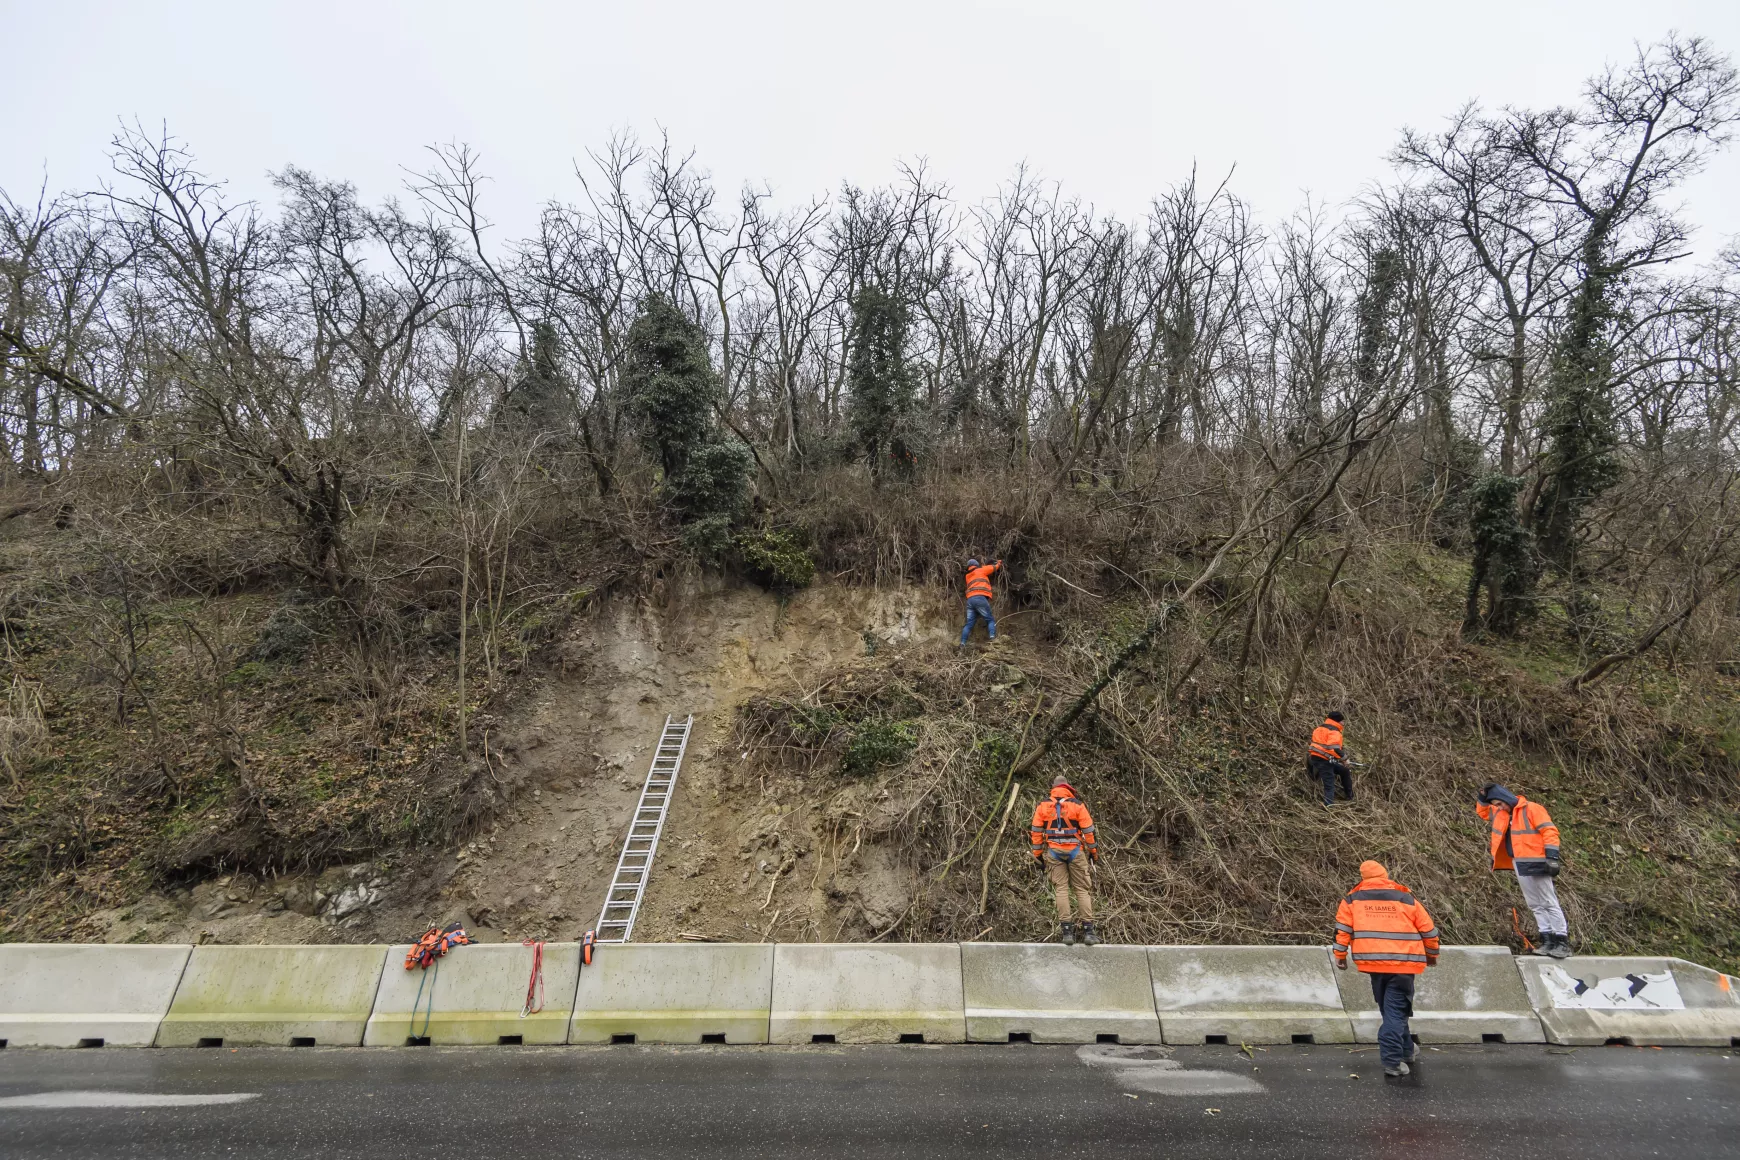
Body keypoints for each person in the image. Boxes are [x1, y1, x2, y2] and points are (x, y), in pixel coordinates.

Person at [1333, 859, 1439, 1078]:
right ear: (1385, 875)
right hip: (1403, 963)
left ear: (1363, 878)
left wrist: (1340, 955)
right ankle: (1392, 1060)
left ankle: (1407, 1049)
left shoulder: (1352, 900)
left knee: (1391, 1009)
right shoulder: (1405, 897)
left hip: (1372, 963)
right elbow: (1428, 930)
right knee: (1396, 1011)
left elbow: (1342, 930)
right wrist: (1432, 955)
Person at [1477, 784, 1570, 958]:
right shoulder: (1502, 813)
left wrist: (1552, 857)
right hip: (1519, 863)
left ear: (1505, 798)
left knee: (1549, 902)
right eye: (1496, 805)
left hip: (1538, 862)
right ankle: (1547, 940)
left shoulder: (1532, 809)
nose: (1499, 807)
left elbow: (1549, 831)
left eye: (1499, 803)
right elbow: (1483, 813)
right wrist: (1482, 797)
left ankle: (1561, 941)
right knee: (1535, 904)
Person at [1030, 776, 1099, 945]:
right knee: (1082, 890)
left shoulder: (1043, 806)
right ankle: (1089, 933)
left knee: (1061, 889)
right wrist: (1094, 853)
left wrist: (1037, 855)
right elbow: (1089, 832)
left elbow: (1036, 833)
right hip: (1076, 851)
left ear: (1053, 788)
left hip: (1054, 852)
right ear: (1068, 787)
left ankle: (1067, 933)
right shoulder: (1077, 805)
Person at [1307, 711, 1352, 806]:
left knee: (1344, 771)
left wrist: (1339, 760)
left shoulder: (1319, 729)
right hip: (1324, 761)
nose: (1344, 723)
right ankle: (1328, 805)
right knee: (1329, 784)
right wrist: (1345, 759)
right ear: (1338, 721)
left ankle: (1350, 797)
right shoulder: (1334, 732)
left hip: (1314, 758)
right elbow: (1334, 748)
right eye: (1343, 721)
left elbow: (1323, 747)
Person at [959, 557, 1003, 646]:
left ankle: (962, 643)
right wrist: (998, 563)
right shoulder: (981, 570)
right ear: (976, 565)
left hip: (970, 601)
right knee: (990, 619)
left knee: (969, 624)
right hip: (980, 598)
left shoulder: (967, 576)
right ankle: (993, 639)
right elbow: (994, 567)